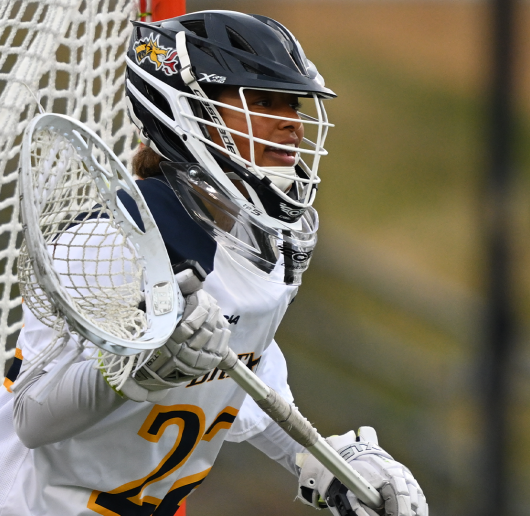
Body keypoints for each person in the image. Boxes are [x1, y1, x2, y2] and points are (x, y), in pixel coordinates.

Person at [0, 11, 428, 516]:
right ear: (187, 110)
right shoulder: (115, 237)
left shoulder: (262, 245)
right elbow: (31, 417)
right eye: (262, 101)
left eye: (292, 103)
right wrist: (136, 369)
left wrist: (325, 462)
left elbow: (248, 384)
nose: (291, 122)